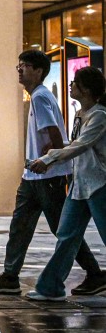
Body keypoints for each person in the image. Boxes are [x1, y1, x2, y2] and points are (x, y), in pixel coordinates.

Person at [0, 51, 106, 296]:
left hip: (80, 182)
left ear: (38, 71)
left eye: (24, 65)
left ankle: (93, 274)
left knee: (68, 233)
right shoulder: (80, 114)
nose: (19, 69)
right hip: (69, 183)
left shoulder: (91, 113)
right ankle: (42, 285)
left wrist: (47, 160)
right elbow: (69, 141)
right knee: (61, 233)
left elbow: (64, 141)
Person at [27, 66, 106, 299]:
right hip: (80, 185)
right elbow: (74, 144)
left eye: (75, 83)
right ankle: (50, 287)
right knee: (67, 235)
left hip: (98, 185)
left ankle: (50, 286)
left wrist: (48, 158)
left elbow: (80, 145)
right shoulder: (81, 114)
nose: (71, 85)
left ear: (87, 89)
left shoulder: (99, 116)